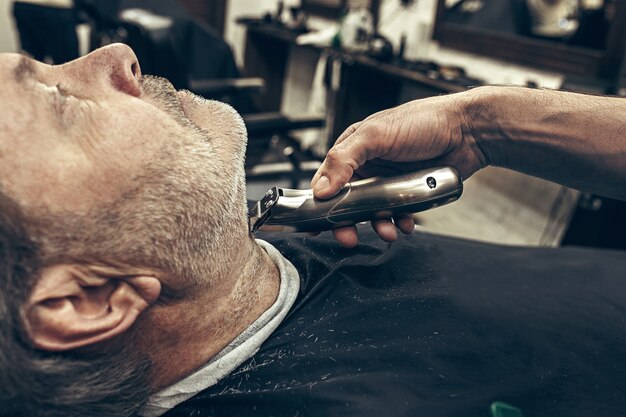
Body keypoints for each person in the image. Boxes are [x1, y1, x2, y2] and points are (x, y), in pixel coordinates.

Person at [0, 44, 625, 417]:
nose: (115, 56)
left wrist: (482, 124)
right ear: (85, 300)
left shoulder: (281, 232)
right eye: (62, 103)